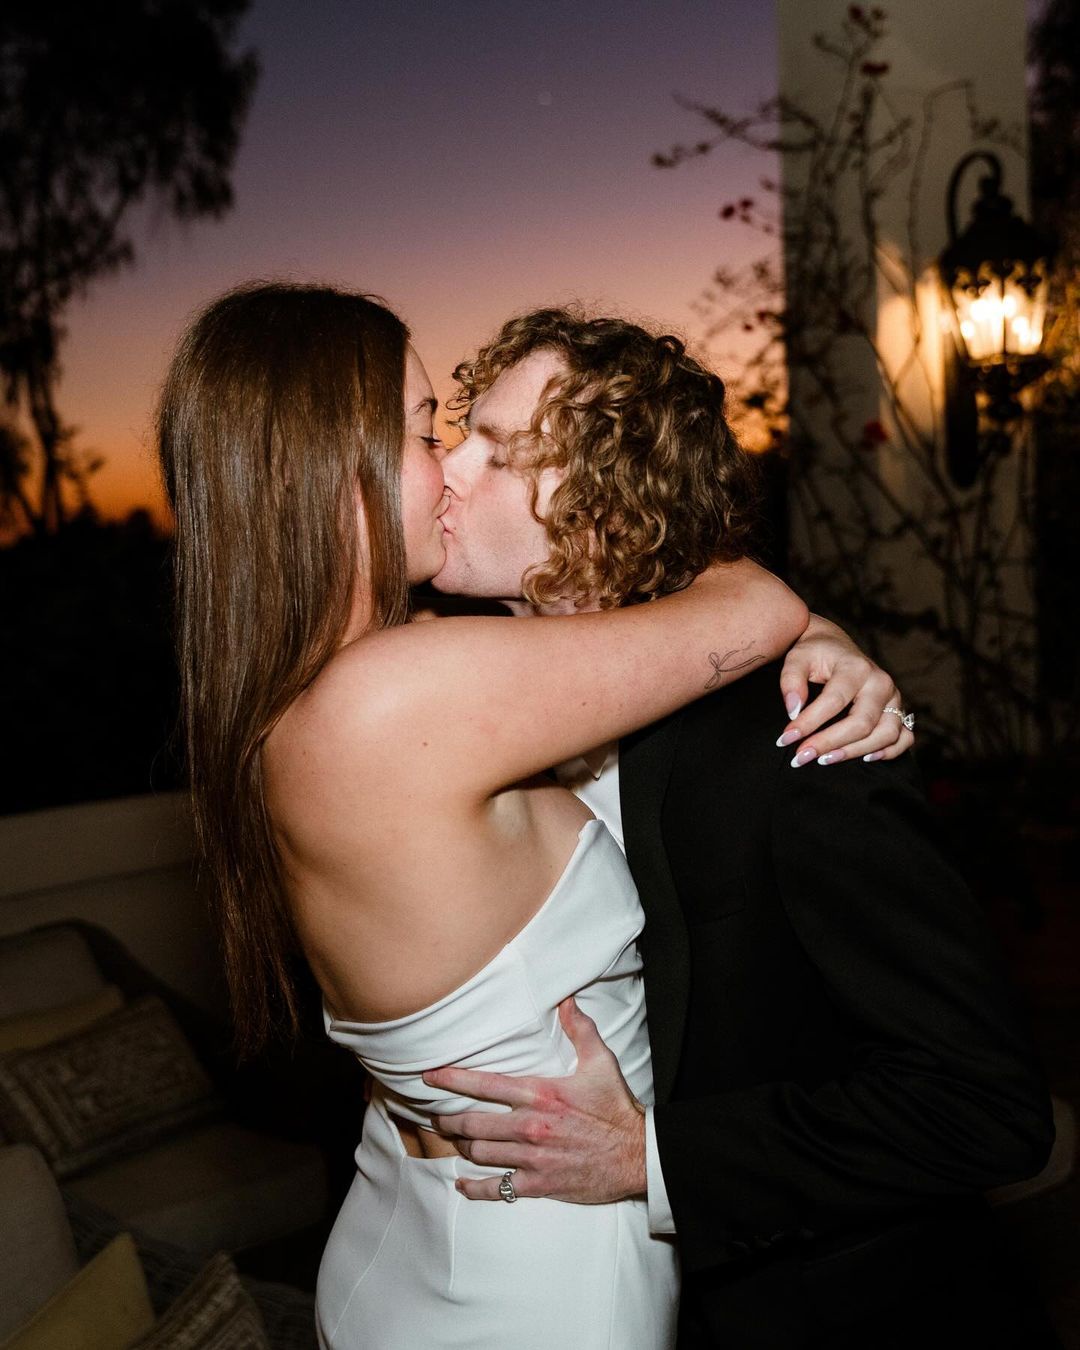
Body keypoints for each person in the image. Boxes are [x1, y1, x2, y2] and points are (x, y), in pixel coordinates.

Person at [157, 282, 896, 1350]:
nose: (451, 468)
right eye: (424, 434)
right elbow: (748, 608)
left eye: (475, 442)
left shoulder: (325, 686)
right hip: (530, 1269)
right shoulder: (397, 696)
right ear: (318, 469)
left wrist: (805, 630)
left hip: (407, 1215)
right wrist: (810, 624)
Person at [424, 308, 1059, 1349]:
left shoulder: (797, 738)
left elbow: (983, 1104)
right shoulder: (462, 711)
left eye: (497, 450)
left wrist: (653, 1160)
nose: (450, 469)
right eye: (457, 434)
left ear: (601, 513)